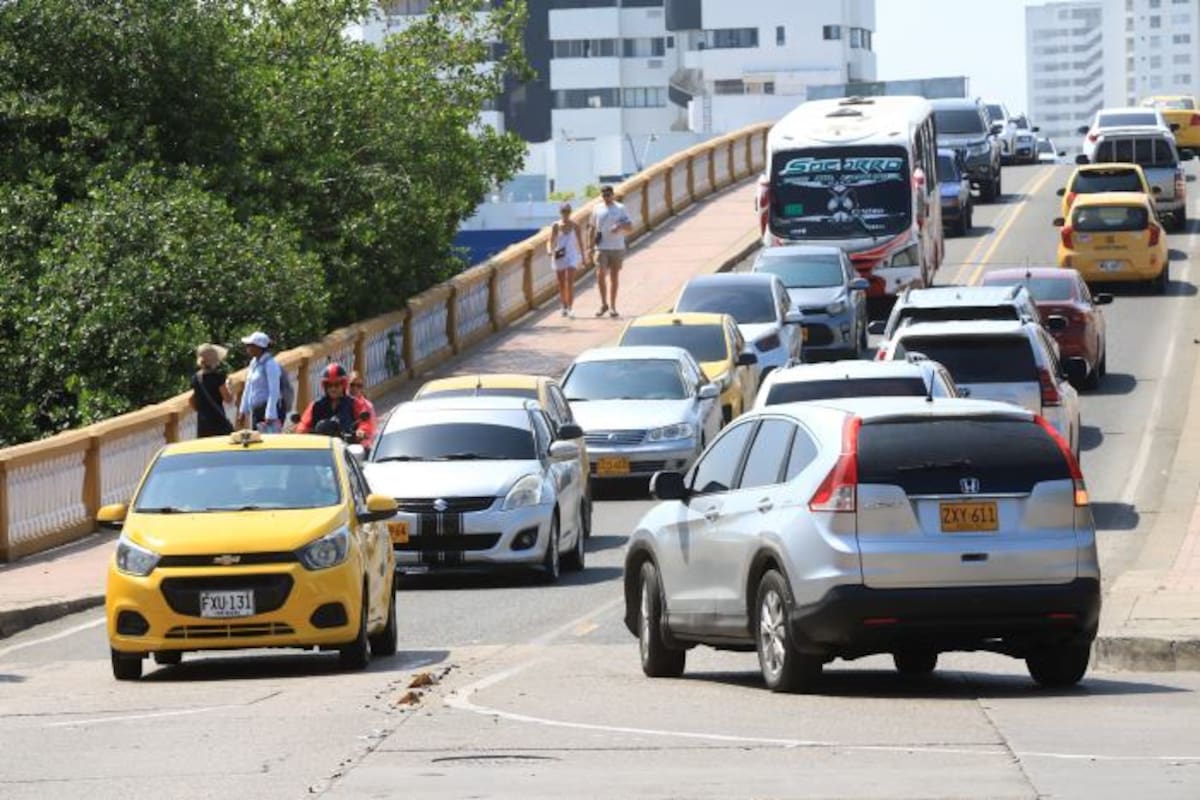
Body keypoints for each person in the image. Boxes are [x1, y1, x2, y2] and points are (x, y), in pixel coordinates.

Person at [296, 363, 375, 444]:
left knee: (364, 452)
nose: (333, 389)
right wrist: (302, 432)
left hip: (347, 448)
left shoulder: (354, 403)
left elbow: (365, 422)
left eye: (337, 385)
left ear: (343, 385)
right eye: (329, 385)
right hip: (321, 448)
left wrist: (361, 430)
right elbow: (303, 425)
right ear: (325, 386)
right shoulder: (316, 405)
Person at [588, 185, 634, 319]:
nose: (606, 197)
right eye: (604, 195)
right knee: (600, 274)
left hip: (617, 247)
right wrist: (589, 246)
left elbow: (630, 227)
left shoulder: (620, 208)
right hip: (601, 247)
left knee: (614, 277)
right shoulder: (596, 208)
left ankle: (613, 306)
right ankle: (603, 304)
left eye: (608, 195)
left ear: (613, 195)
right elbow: (591, 228)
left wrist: (619, 226)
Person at [236, 330, 283, 433]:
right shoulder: (254, 363)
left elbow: (274, 390)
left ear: (258, 347)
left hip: (266, 409)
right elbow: (248, 387)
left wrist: (270, 414)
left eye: (250, 345)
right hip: (256, 410)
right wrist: (243, 410)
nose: (247, 348)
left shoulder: (270, 364)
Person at [547, 202, 586, 318]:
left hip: (572, 255)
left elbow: (580, 242)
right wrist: (549, 250)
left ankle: (570, 307)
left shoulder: (575, 225)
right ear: (560, 212)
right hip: (559, 255)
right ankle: (564, 305)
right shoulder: (556, 226)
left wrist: (584, 257)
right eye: (564, 211)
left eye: (568, 211)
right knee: (561, 283)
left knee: (570, 282)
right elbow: (550, 240)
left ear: (571, 212)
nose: (566, 214)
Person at [189, 343, 233, 437]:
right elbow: (228, 399)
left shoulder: (196, 378)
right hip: (218, 422)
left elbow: (191, 400)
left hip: (203, 424)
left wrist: (202, 410)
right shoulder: (218, 377)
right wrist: (228, 384)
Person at [347, 370, 378, 451]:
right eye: (352, 385)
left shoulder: (368, 406)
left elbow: (372, 430)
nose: (355, 388)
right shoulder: (342, 403)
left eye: (359, 386)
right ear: (347, 385)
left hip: (362, 446)